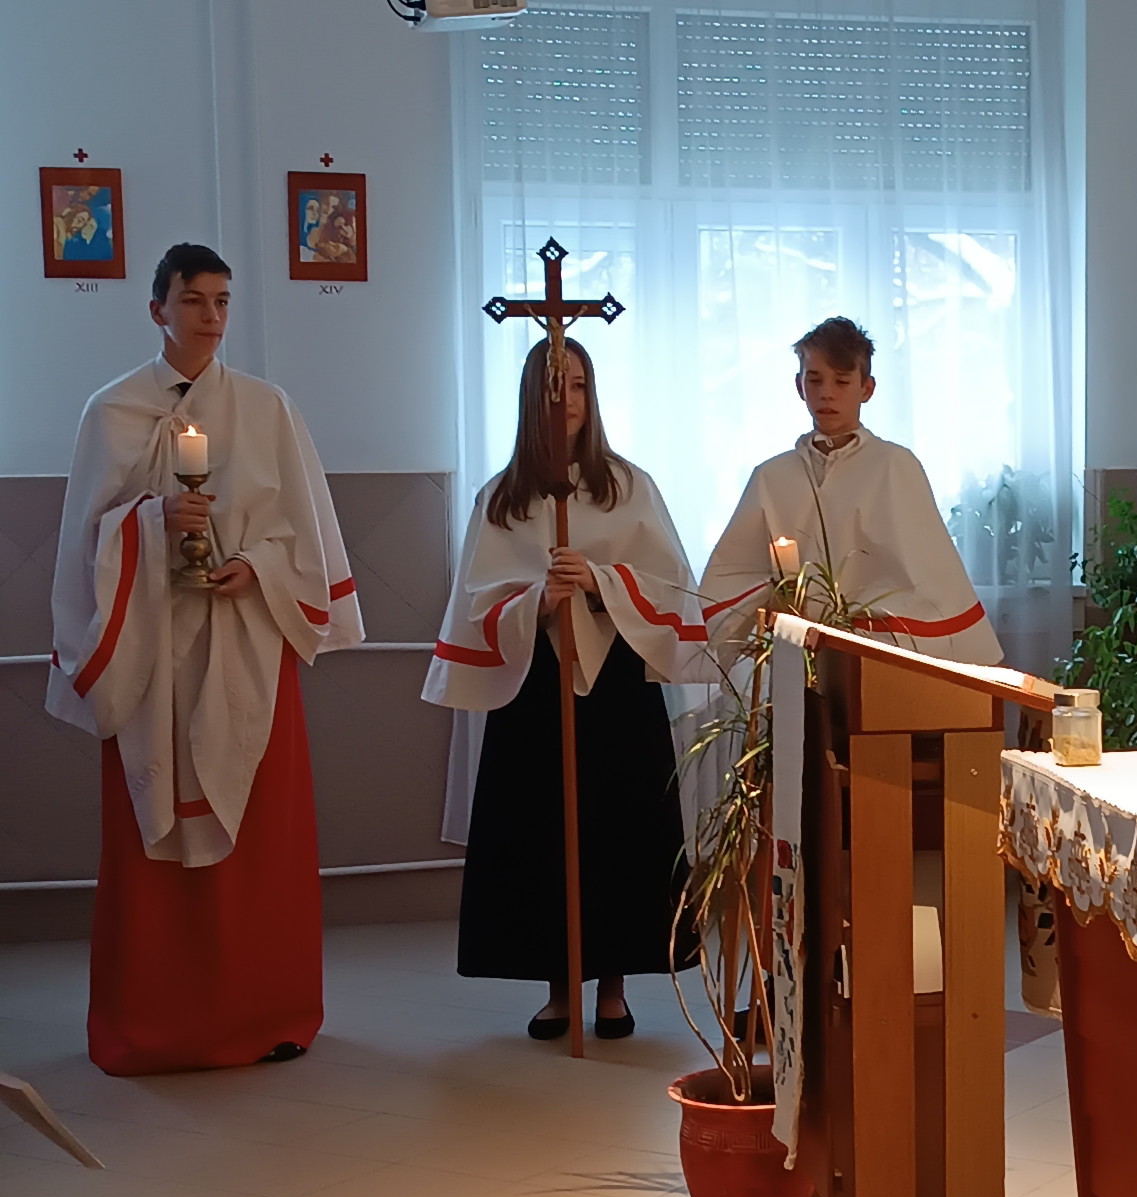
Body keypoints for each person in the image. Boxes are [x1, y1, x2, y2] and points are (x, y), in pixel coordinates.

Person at [46, 242, 362, 1075]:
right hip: (149, 656)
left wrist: (254, 566)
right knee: (150, 845)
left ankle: (268, 1012)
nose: (211, 317)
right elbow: (85, 542)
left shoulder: (267, 408)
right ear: (158, 309)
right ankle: (154, 1023)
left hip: (245, 641)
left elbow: (301, 533)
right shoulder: (111, 412)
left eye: (222, 302)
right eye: (193, 301)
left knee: (261, 838)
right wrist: (152, 525)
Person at [424, 339, 703, 1040]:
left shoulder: (629, 486)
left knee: (619, 827)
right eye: (553, 388)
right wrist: (536, 599)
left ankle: (613, 986)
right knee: (541, 829)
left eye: (577, 385)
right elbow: (477, 597)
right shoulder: (502, 497)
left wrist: (603, 582)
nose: (566, 401)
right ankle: (558, 985)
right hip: (535, 682)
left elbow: (672, 583)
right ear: (530, 397)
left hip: (615, 681)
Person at [698, 316, 1002, 666]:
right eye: (815, 380)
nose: (826, 393)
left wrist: (851, 628)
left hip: (879, 653)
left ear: (867, 389)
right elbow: (734, 575)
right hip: (792, 651)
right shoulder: (772, 476)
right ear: (799, 386)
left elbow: (928, 575)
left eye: (842, 381)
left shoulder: (894, 466)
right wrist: (783, 605)